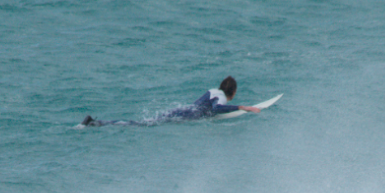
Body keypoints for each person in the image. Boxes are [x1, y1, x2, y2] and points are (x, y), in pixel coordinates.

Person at [81, 76, 261, 127]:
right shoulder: (221, 96)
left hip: (182, 110)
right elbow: (216, 108)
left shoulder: (213, 90)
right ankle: (97, 123)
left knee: (143, 123)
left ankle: (97, 122)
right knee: (140, 125)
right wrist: (242, 107)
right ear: (233, 92)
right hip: (186, 115)